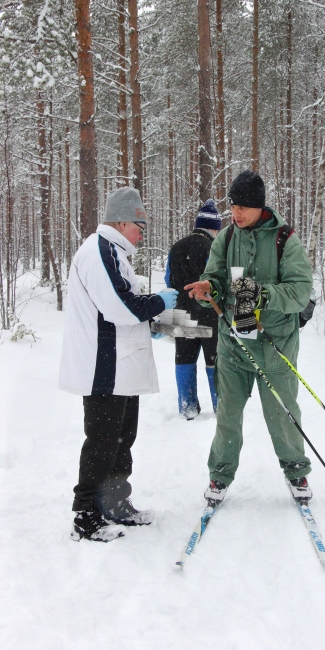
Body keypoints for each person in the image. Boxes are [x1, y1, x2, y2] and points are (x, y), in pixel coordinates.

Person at [185, 171, 314, 507]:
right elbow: (214, 279)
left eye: (243, 206)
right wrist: (207, 289)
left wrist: (263, 295)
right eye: (233, 206)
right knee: (227, 413)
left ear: (259, 206)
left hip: (276, 344)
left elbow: (301, 293)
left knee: (282, 413)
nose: (236, 213)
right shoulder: (225, 239)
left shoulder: (285, 240)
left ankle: (296, 470)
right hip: (234, 343)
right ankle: (220, 473)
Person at [59, 186, 178, 542]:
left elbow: (120, 307)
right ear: (123, 222)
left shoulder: (114, 252)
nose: (143, 234)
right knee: (101, 441)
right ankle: (86, 516)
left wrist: (150, 323)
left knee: (122, 438)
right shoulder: (98, 252)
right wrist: (157, 302)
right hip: (102, 368)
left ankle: (114, 503)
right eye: (140, 226)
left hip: (119, 366)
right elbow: (120, 307)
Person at [165, 199, 221, 419]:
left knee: (184, 359)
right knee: (214, 361)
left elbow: (168, 278)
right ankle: (220, 407)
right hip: (209, 313)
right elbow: (217, 280)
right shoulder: (212, 247)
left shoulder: (177, 247)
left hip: (181, 312)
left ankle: (187, 408)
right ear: (214, 228)